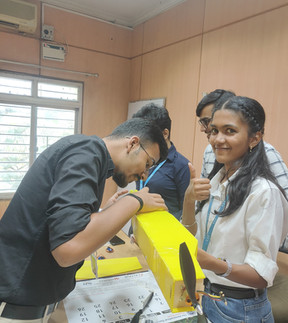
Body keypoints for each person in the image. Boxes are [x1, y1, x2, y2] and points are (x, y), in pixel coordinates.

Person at [0, 118, 168, 322]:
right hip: (17, 303)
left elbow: (66, 219)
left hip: (32, 298)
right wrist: (135, 201)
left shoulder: (90, 157)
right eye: (148, 163)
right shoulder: (86, 152)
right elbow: (68, 248)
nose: (144, 174)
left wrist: (107, 212)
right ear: (132, 143)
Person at [182, 96, 288, 322]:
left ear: (255, 137)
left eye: (229, 131)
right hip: (211, 295)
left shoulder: (263, 193)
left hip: (241, 308)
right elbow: (191, 234)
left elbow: (261, 276)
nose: (217, 139)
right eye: (213, 130)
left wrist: (209, 262)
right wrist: (188, 199)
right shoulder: (216, 181)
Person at [196, 89, 288, 248]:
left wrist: (266, 249)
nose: (203, 129)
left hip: (236, 266)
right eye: (213, 127)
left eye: (207, 121)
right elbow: (204, 202)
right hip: (210, 259)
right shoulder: (211, 151)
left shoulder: (266, 155)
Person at [132, 104, 190, 220]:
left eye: (147, 136)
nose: (142, 140)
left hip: (164, 233)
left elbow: (187, 210)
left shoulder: (182, 165)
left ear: (165, 134)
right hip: (138, 228)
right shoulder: (142, 159)